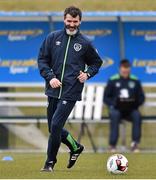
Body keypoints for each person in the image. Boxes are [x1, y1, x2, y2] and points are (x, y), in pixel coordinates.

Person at [38, 6, 103, 172]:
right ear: (64, 20)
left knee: (56, 124)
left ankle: (49, 163)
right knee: (53, 128)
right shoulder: (52, 38)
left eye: (75, 21)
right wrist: (51, 77)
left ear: (80, 21)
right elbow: (42, 61)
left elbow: (97, 63)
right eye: (69, 21)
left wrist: (87, 74)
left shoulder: (86, 43)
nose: (72, 24)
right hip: (53, 89)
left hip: (71, 91)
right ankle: (75, 147)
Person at [103, 59, 145, 152]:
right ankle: (112, 145)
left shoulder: (135, 80)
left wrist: (135, 103)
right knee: (115, 115)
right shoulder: (113, 80)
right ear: (120, 68)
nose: (125, 70)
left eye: (127, 68)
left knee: (137, 115)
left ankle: (135, 144)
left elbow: (141, 97)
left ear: (130, 69)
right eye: (123, 68)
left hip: (131, 110)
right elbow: (106, 98)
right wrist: (114, 103)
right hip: (117, 109)